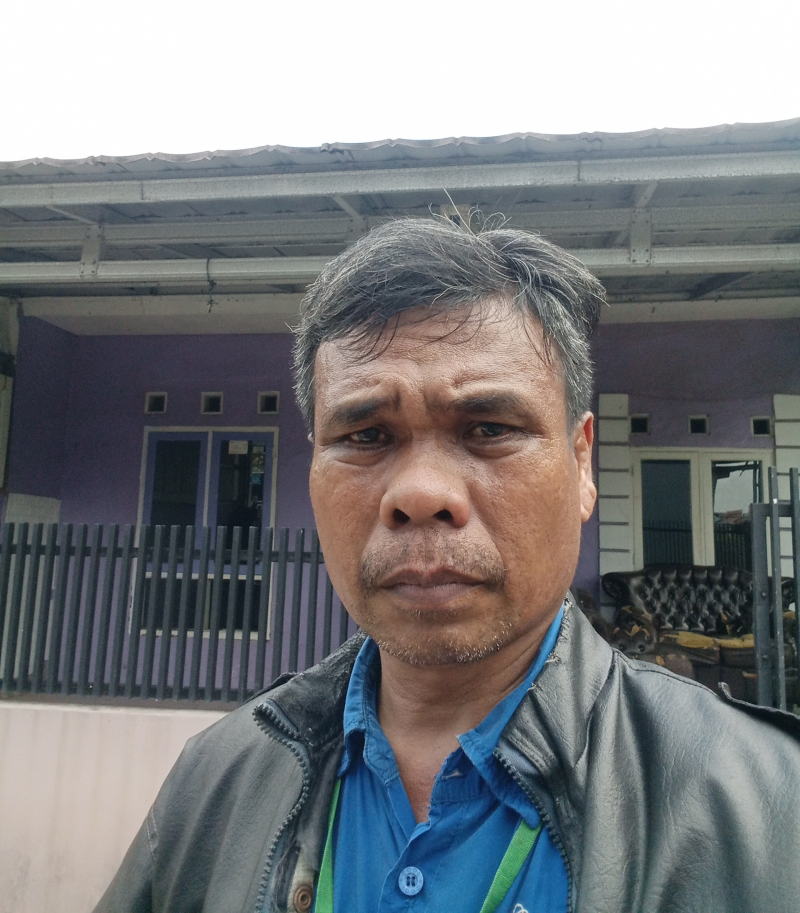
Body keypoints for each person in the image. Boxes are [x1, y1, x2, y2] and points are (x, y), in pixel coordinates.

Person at [95, 218, 800, 913]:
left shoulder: (765, 804)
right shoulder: (212, 790)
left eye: (489, 429)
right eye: (366, 435)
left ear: (582, 463)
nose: (420, 494)